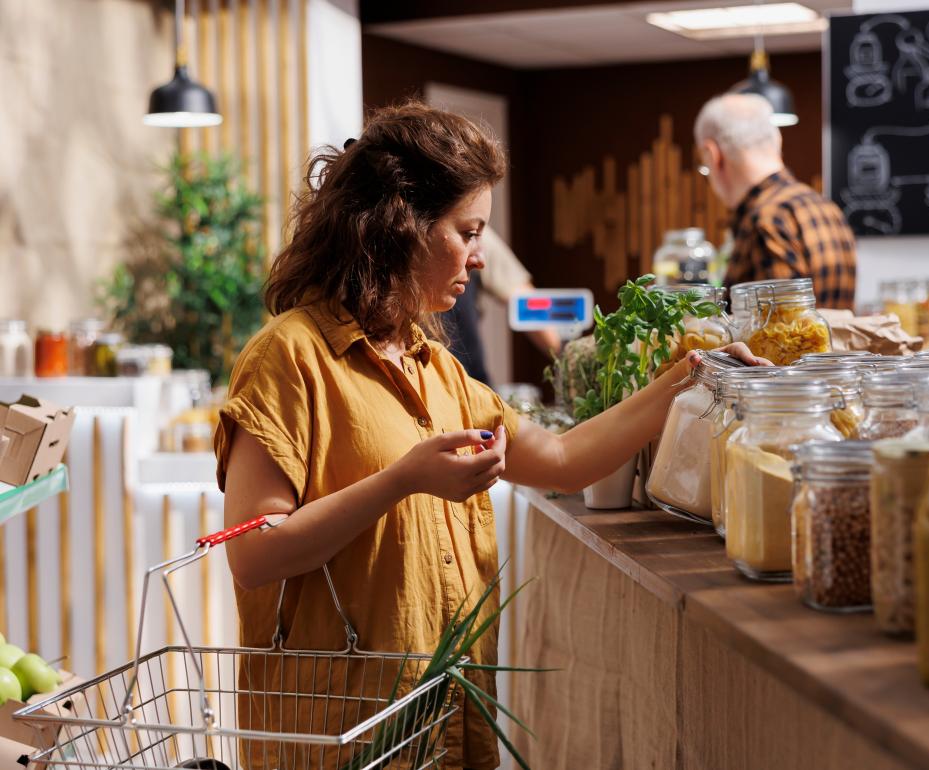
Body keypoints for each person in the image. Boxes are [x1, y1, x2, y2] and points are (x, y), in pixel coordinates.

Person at [214, 100, 766, 770]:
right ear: (401, 226)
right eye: (467, 231)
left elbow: (563, 459)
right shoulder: (288, 357)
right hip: (342, 735)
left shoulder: (436, 367)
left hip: (442, 727)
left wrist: (687, 377)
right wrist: (402, 480)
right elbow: (251, 555)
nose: (478, 259)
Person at [694, 93, 858, 310]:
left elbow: (777, 332)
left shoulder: (766, 219)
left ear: (713, 155)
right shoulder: (826, 207)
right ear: (777, 139)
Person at [444, 228, 561, 385]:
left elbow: (524, 300)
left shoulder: (473, 229)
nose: (479, 260)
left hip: (470, 386)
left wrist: (566, 352)